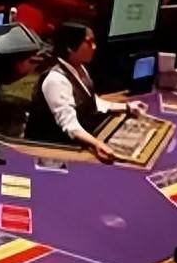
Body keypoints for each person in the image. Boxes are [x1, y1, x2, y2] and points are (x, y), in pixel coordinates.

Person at [26, 23, 140, 161]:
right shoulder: (55, 79)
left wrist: (126, 107)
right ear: (70, 47)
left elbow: (91, 101)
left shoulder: (81, 68)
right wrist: (97, 144)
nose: (94, 47)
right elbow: (70, 125)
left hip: (77, 139)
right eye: (89, 42)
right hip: (53, 151)